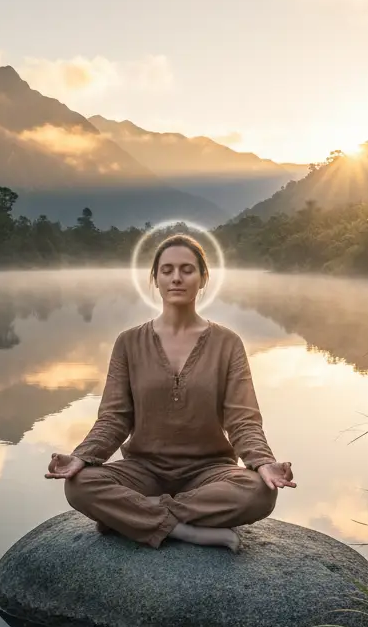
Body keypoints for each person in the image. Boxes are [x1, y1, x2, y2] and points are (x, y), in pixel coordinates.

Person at [45, 234, 295, 552]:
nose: (176, 277)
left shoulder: (227, 343)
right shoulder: (128, 343)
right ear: (155, 278)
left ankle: (135, 516)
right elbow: (114, 418)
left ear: (203, 278)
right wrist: (81, 457)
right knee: (79, 486)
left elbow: (242, 419)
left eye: (187, 269)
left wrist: (263, 463)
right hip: (143, 469)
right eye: (167, 270)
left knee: (261, 492)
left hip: (209, 472)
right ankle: (187, 530)